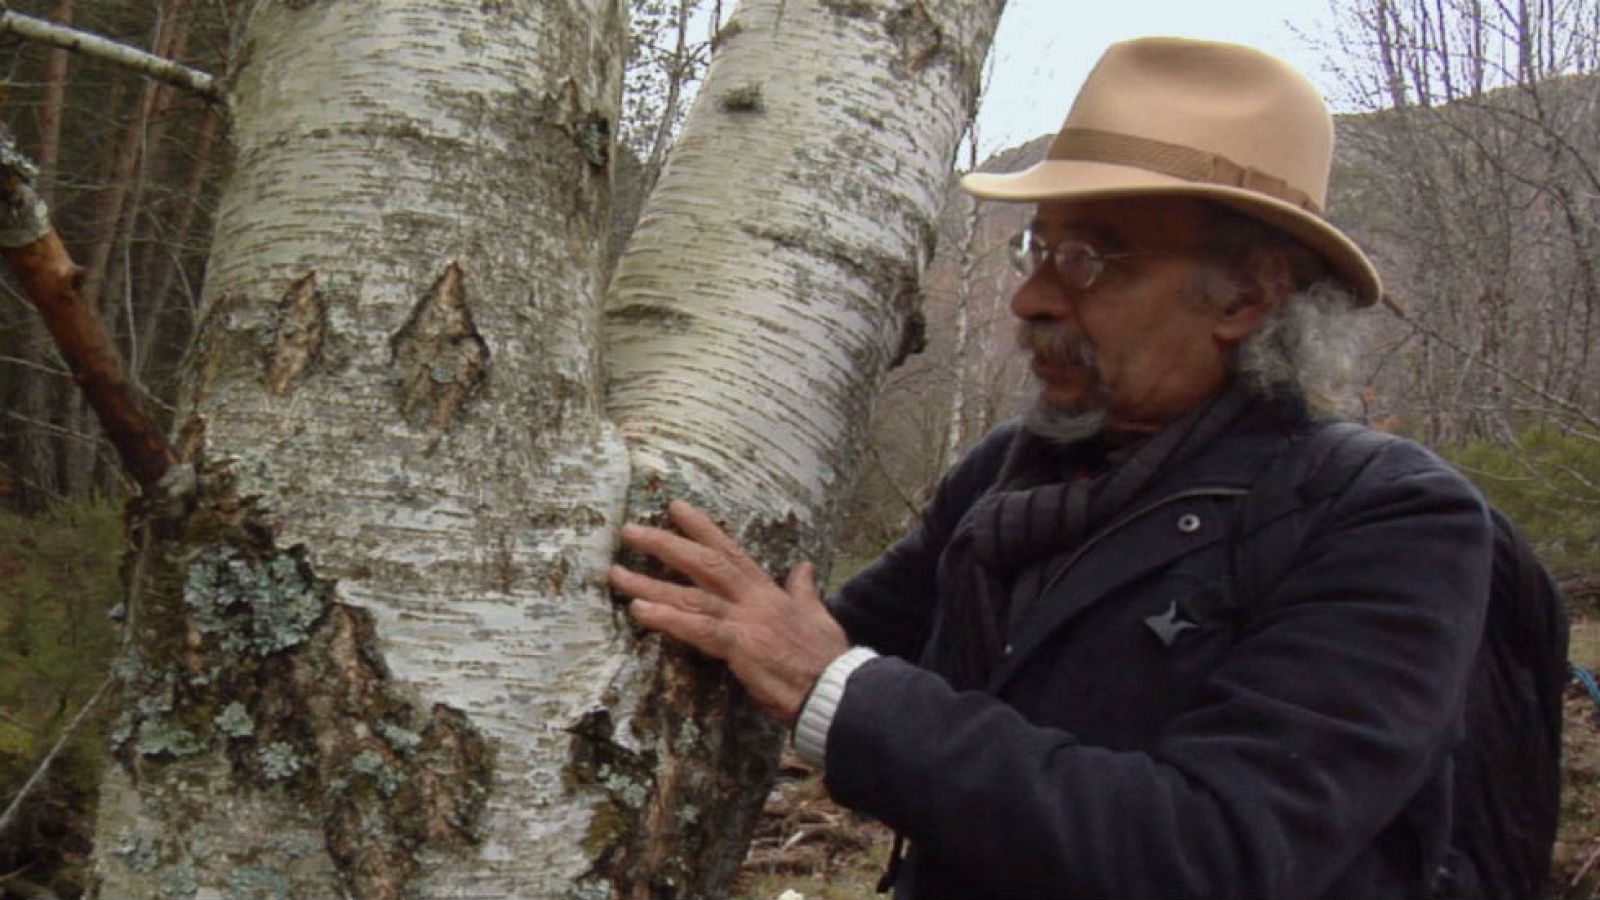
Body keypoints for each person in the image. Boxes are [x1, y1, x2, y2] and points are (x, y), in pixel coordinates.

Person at [609, 37, 1493, 898]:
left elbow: (1217, 848)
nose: (1030, 298)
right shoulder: (1018, 473)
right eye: (1037, 249)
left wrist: (837, 691)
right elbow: (830, 633)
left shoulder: (1386, 520)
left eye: (1090, 259)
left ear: (1245, 295)